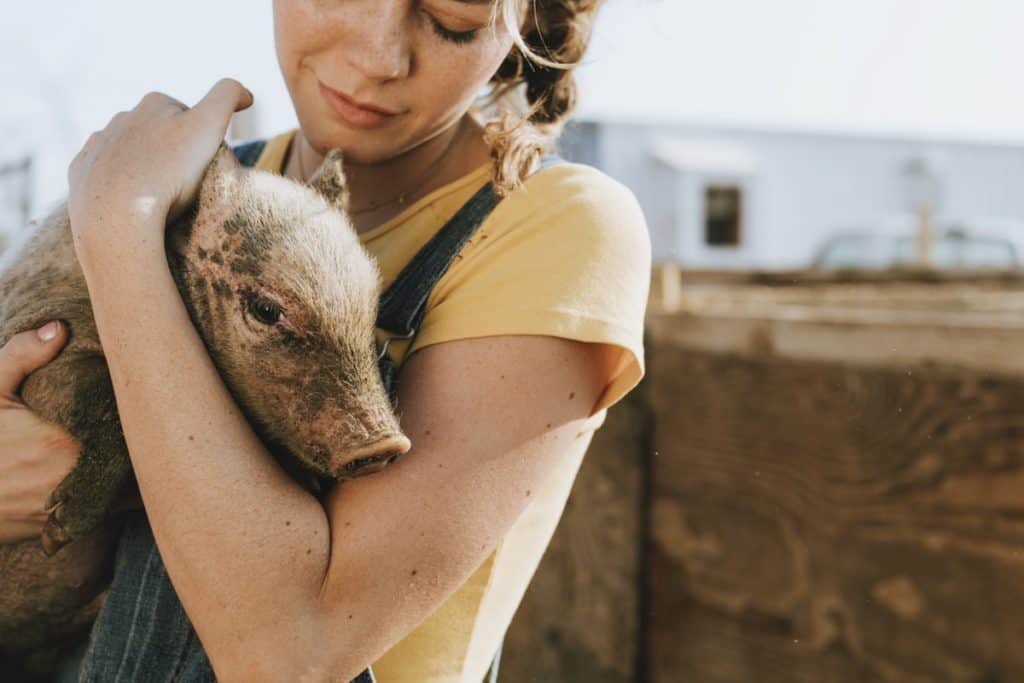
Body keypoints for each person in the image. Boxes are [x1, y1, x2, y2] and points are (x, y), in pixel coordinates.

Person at [0, 0, 651, 680]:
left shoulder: (556, 227)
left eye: (452, 19)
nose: (378, 57)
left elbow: (286, 654)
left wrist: (120, 234)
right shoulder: (192, 187)